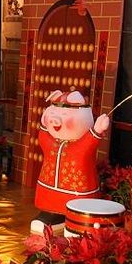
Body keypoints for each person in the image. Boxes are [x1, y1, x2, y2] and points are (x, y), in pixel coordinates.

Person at [29, 90, 110, 234]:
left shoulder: (80, 144)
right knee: (49, 200)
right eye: (53, 112)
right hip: (49, 183)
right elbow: (43, 138)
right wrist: (43, 124)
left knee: (76, 206)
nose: (55, 119)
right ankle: (50, 213)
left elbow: (88, 144)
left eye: (65, 114)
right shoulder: (52, 141)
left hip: (77, 188)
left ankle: (75, 216)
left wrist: (97, 131)